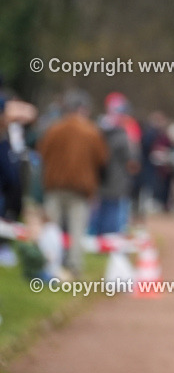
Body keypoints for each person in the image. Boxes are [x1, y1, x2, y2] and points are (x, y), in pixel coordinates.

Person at [37, 90, 108, 276]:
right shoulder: (91, 132)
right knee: (77, 231)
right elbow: (101, 159)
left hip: (54, 185)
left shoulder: (54, 129)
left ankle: (48, 264)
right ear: (82, 109)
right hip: (80, 188)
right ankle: (75, 266)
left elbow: (41, 153)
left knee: (51, 228)